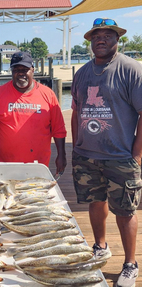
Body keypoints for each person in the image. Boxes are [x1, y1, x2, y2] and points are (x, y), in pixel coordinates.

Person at [71, 18, 142, 287]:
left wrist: (136, 153)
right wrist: (77, 145)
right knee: (94, 202)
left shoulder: (131, 69)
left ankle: (130, 264)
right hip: (87, 155)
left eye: (107, 35)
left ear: (117, 39)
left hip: (120, 156)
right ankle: (100, 246)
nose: (101, 39)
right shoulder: (82, 72)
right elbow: (76, 111)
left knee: (125, 212)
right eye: (96, 35)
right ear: (90, 41)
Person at [0, 51, 67, 175]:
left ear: (33, 70)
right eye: (16, 69)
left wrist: (61, 155)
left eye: (25, 69)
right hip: (3, 165)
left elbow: (59, 129)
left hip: (38, 165)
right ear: (11, 71)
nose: (21, 73)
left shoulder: (48, 94)